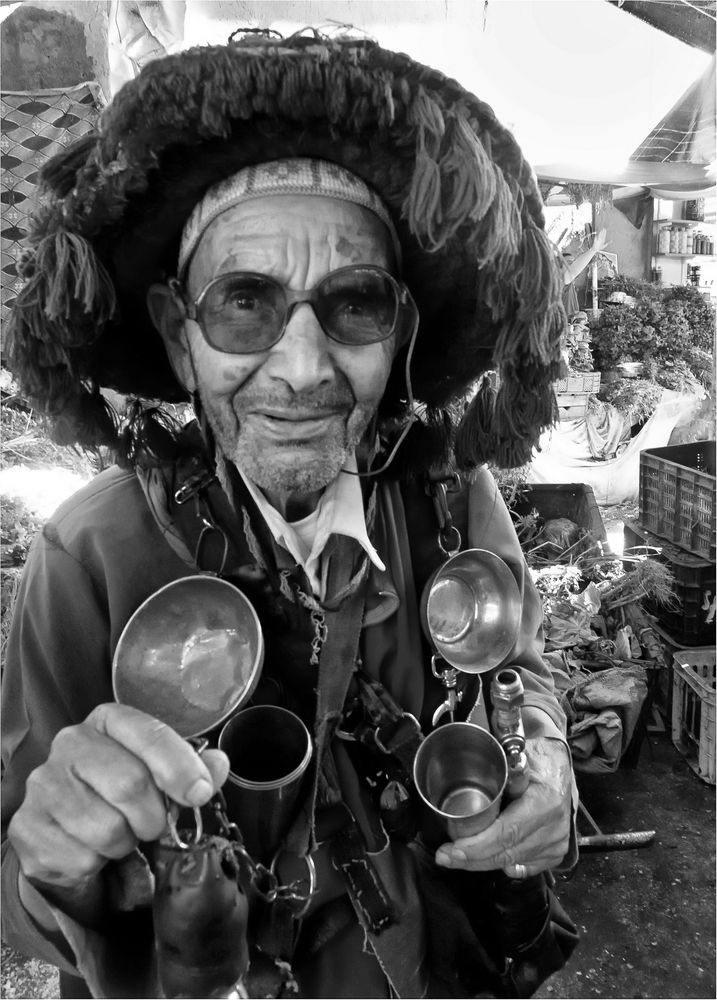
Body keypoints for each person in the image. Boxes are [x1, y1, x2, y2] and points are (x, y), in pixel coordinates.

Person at [2, 30, 577, 1000]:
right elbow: (21, 888)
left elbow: (519, 670)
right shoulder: (91, 552)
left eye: (353, 304)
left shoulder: (451, 494)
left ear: (398, 337)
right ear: (182, 341)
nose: (303, 367)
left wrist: (549, 756)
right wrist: (56, 861)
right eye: (244, 304)